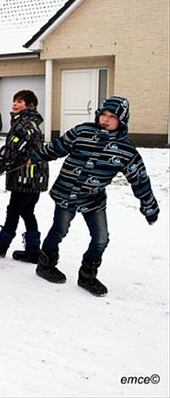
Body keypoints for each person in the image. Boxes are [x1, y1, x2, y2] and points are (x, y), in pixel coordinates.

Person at [31, 96, 159, 296]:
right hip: (67, 193)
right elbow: (58, 146)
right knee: (59, 230)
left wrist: (149, 207)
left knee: (101, 238)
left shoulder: (126, 150)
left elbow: (140, 179)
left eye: (112, 117)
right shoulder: (82, 131)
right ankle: (45, 264)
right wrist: (37, 156)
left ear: (122, 120)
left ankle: (87, 275)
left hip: (93, 199)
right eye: (103, 115)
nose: (106, 120)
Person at [0, 90, 49, 263]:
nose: (15, 104)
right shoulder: (31, 123)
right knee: (27, 211)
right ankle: (32, 250)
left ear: (30, 105)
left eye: (20, 102)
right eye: (14, 101)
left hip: (26, 177)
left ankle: (1, 246)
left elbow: (11, 150)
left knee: (14, 210)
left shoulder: (23, 124)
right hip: (36, 177)